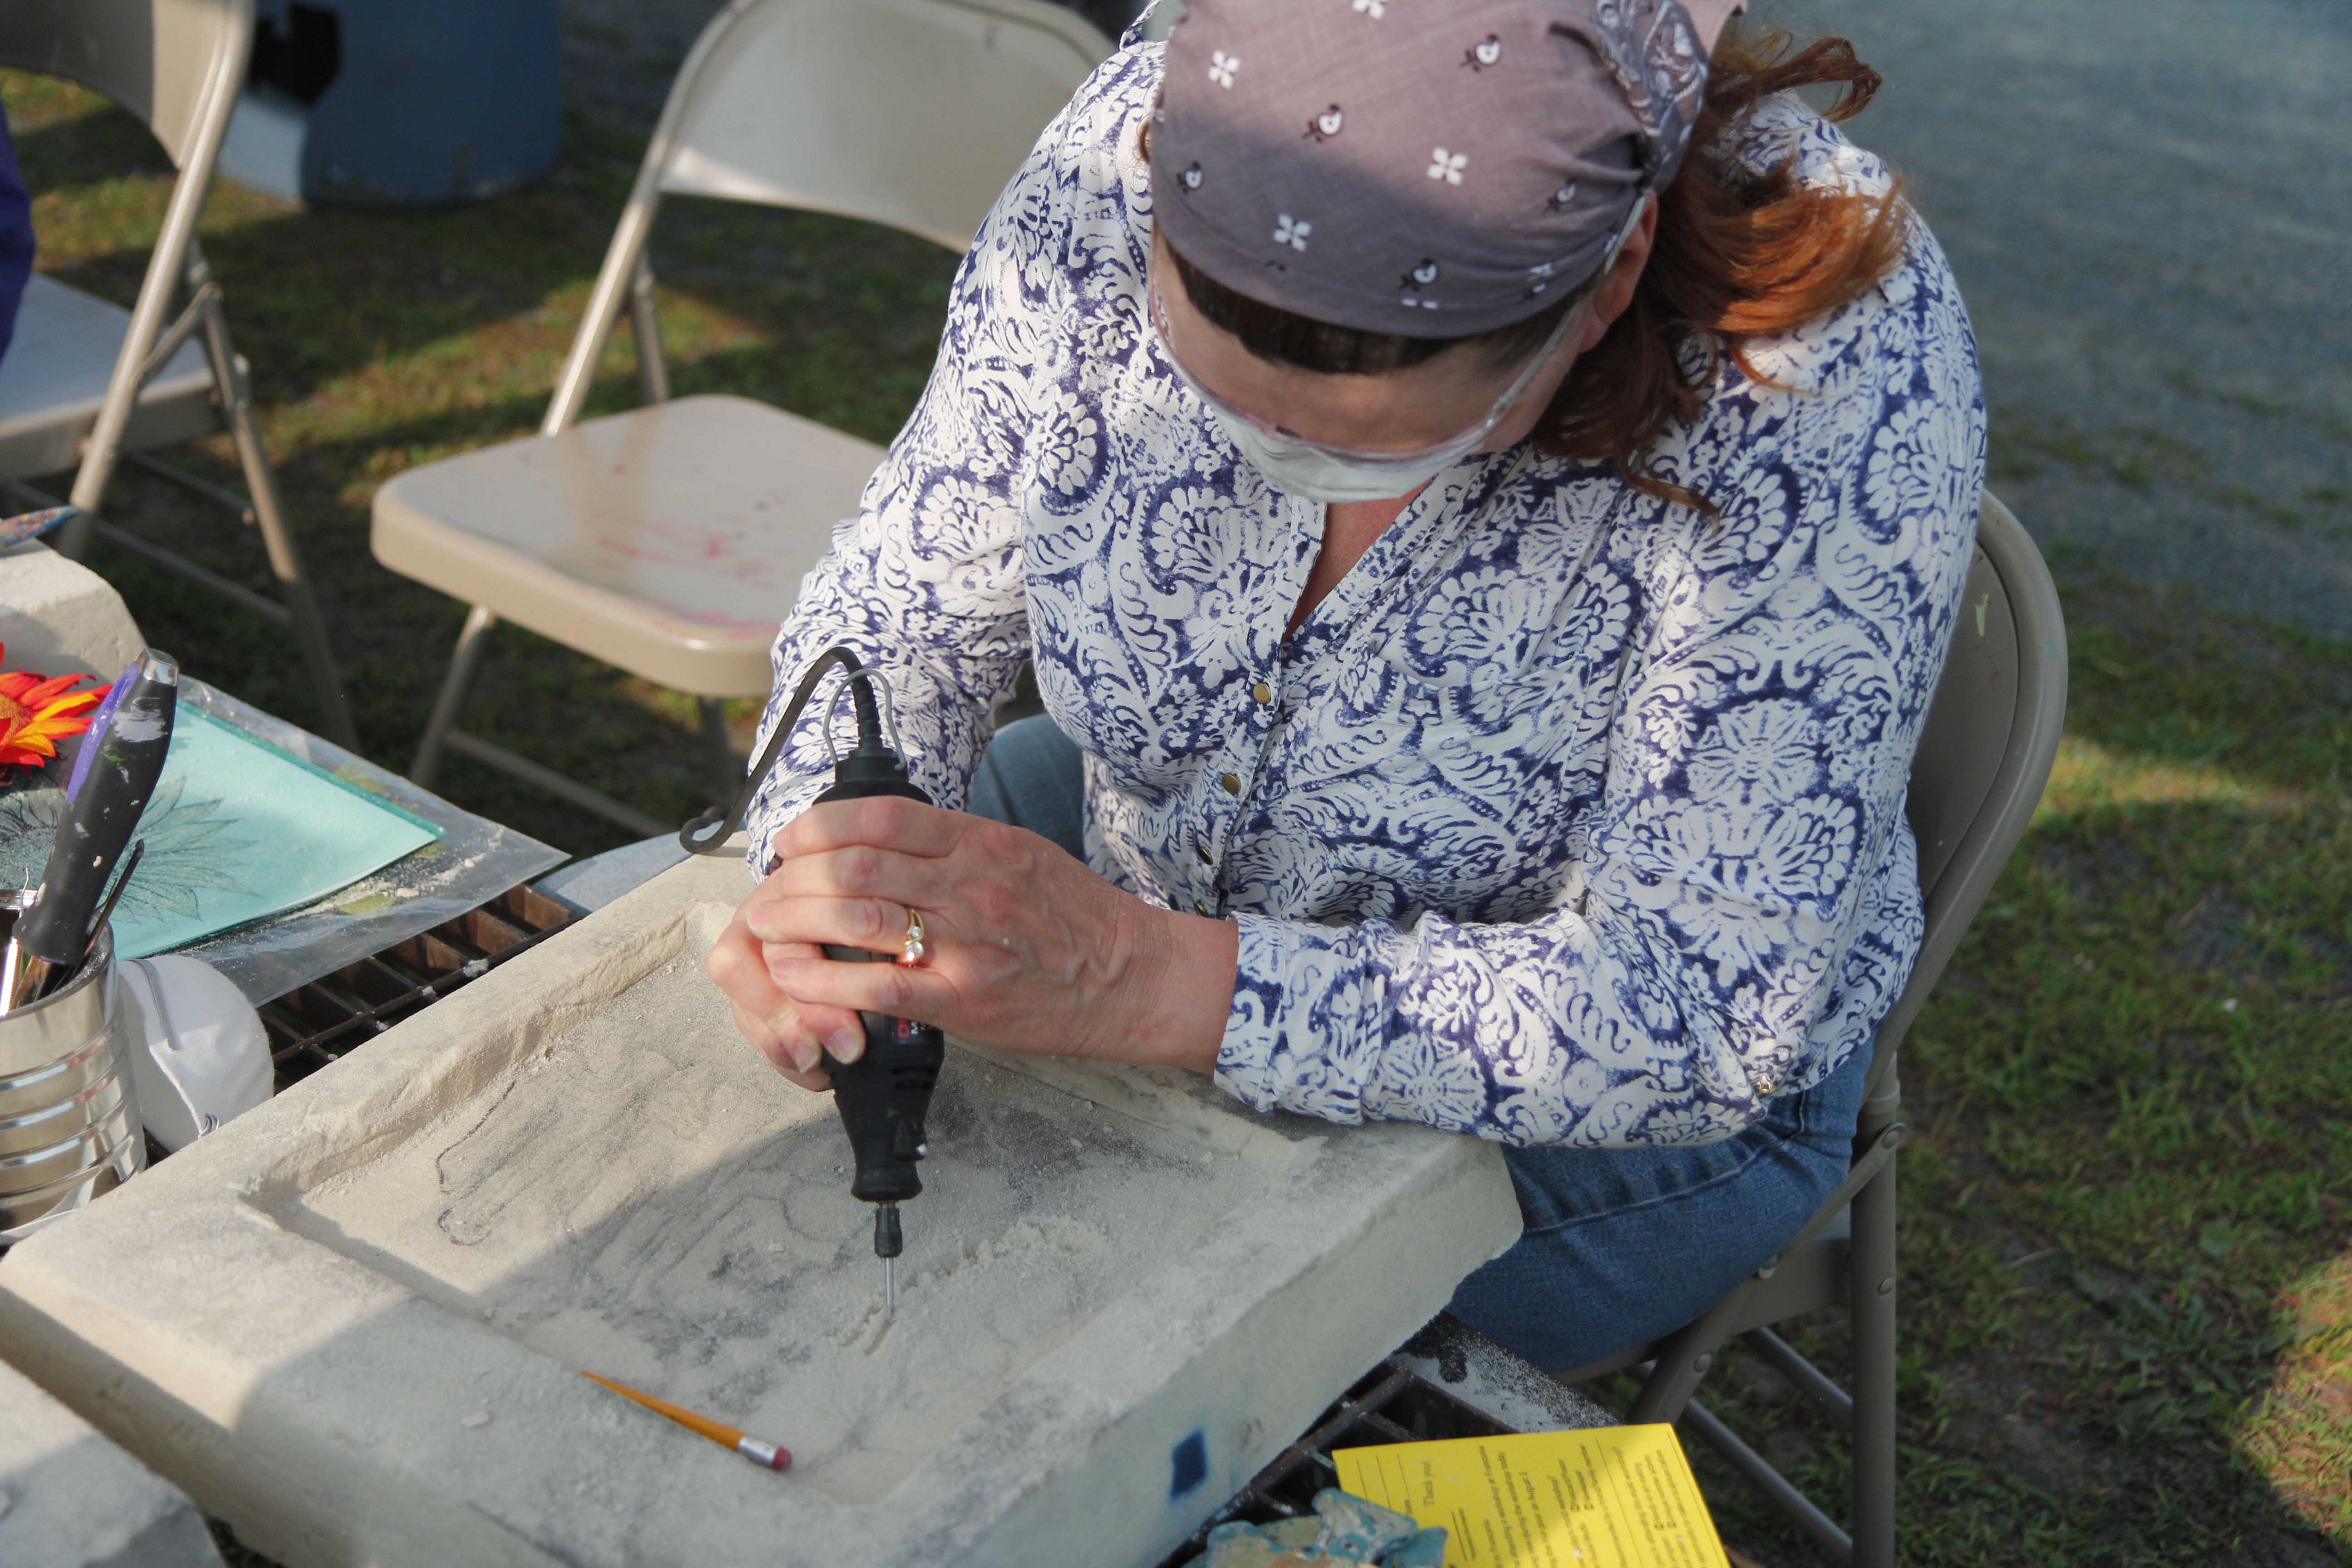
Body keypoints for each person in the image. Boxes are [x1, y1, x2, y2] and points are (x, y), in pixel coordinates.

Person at [706, 0, 1981, 1372]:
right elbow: (904, 601)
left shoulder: (1822, 357)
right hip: (1148, 851)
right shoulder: (1135, 148)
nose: (1268, 463)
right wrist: (824, 877)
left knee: (1063, 1326)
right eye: (1224, 400)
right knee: (714, 1128)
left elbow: (1702, 1002)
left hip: (1593, 1104)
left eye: (1356, 446)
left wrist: (1145, 982)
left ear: (1607, 290)